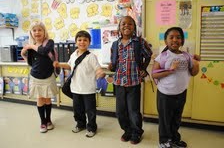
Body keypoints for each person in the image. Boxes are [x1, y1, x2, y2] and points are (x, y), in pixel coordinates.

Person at [152, 27, 200, 148]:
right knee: (165, 120)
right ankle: (164, 141)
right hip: (165, 94)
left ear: (182, 40)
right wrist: (170, 70)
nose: (175, 40)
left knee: (176, 118)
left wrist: (196, 63)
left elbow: (193, 73)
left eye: (178, 37)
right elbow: (154, 74)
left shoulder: (186, 56)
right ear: (166, 41)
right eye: (171, 37)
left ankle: (174, 138)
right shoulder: (163, 56)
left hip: (181, 93)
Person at [108, 16, 152, 144]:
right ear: (119, 27)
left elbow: (148, 55)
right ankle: (127, 131)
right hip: (119, 83)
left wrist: (143, 68)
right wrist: (111, 66)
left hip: (134, 82)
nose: (126, 26)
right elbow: (114, 63)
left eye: (130, 24)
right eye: (123, 24)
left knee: (133, 111)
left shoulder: (139, 42)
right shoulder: (115, 44)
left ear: (134, 27)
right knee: (120, 111)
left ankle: (136, 132)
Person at [53, 30, 105, 138]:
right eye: (79, 40)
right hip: (75, 88)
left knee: (90, 111)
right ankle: (80, 124)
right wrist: (59, 64)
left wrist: (100, 72)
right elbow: (69, 66)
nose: (82, 42)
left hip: (88, 89)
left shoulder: (91, 57)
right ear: (76, 42)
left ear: (89, 42)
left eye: (85, 40)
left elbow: (98, 68)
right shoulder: (73, 55)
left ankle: (91, 127)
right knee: (78, 110)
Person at [21, 21, 58, 133]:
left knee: (47, 99)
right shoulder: (30, 47)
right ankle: (43, 122)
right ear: (31, 33)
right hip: (36, 77)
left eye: (39, 30)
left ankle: (48, 120)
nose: (37, 32)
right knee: (40, 99)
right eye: (34, 30)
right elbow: (32, 63)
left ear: (44, 31)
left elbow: (44, 51)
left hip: (48, 76)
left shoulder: (49, 42)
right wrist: (23, 54)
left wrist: (31, 45)